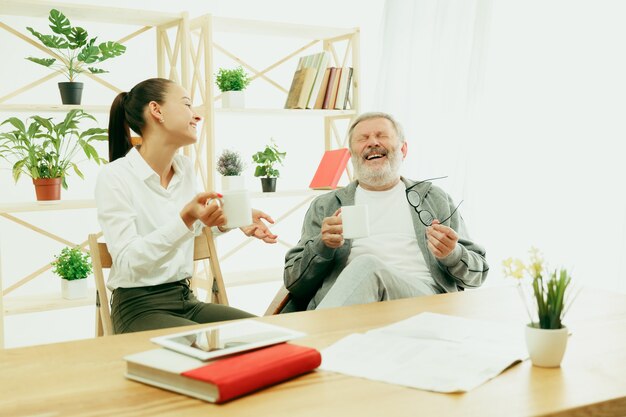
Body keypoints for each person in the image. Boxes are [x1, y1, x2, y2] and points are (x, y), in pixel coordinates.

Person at [96, 77, 277, 334]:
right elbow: (126, 261)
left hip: (185, 299)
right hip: (138, 307)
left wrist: (232, 221)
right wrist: (185, 218)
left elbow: (189, 232)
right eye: (187, 105)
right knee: (200, 345)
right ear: (156, 110)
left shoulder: (184, 169)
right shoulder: (115, 177)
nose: (196, 116)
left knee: (264, 333)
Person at [283, 112, 488, 311]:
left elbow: (478, 274)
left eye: (382, 135)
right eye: (363, 138)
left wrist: (452, 254)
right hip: (353, 305)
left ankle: (312, 339)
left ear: (403, 149)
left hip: (423, 300)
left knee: (368, 266)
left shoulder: (434, 199)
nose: (372, 142)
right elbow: (294, 283)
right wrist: (322, 246)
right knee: (366, 269)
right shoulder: (326, 206)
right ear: (352, 155)